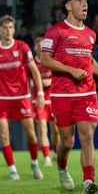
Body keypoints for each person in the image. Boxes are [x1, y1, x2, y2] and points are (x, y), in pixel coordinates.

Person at [41, 0, 98, 194]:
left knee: (87, 135)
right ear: (68, 6)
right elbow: (45, 59)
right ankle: (62, 167)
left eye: (85, 1)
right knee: (67, 141)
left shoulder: (90, 34)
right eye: (79, 1)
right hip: (62, 95)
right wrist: (70, 71)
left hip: (86, 93)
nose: (84, 5)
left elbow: (87, 61)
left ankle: (88, 181)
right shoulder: (56, 31)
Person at [0, 15, 46, 181]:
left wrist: (40, 93)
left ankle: (34, 163)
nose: (8, 30)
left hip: (22, 97)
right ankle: (12, 170)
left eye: (11, 27)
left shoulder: (23, 47)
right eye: (5, 27)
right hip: (2, 99)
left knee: (31, 134)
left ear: (14, 29)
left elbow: (35, 71)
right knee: (4, 135)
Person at [33, 36, 57, 165]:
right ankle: (46, 157)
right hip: (39, 100)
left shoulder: (52, 61)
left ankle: (56, 152)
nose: (40, 47)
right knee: (42, 128)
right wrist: (37, 83)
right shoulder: (32, 63)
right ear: (35, 47)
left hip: (53, 100)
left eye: (42, 45)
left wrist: (51, 81)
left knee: (56, 130)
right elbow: (27, 80)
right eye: (38, 45)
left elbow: (60, 77)